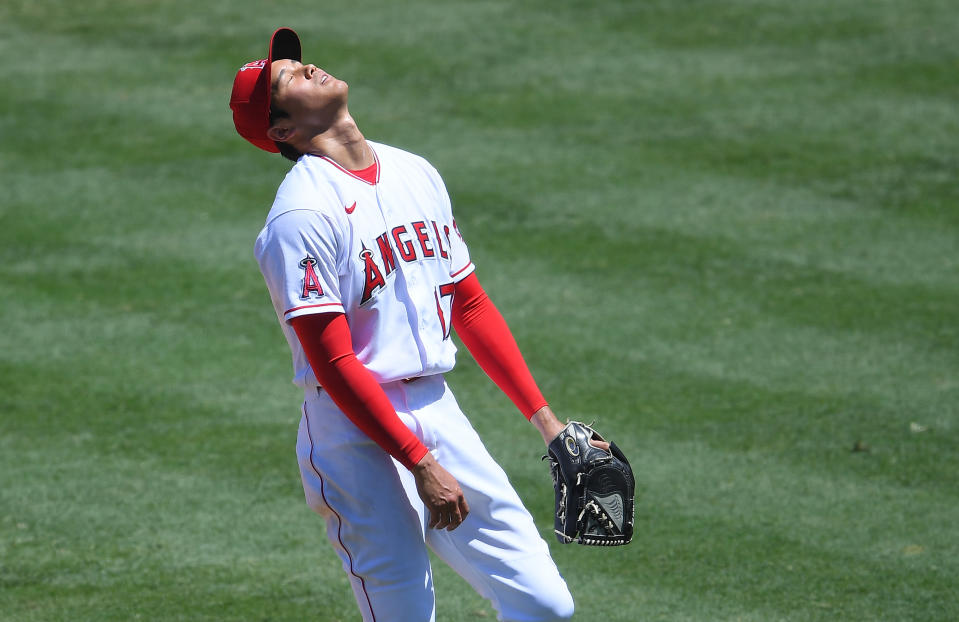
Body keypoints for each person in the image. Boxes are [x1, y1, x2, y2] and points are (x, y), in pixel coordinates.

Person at [229, 27, 605, 622]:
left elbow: (470, 305)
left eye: (301, 62)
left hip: (437, 411)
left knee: (544, 605)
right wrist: (418, 461)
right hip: (353, 434)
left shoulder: (414, 172)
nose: (308, 68)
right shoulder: (299, 216)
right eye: (289, 77)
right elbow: (335, 360)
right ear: (281, 130)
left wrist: (547, 424)